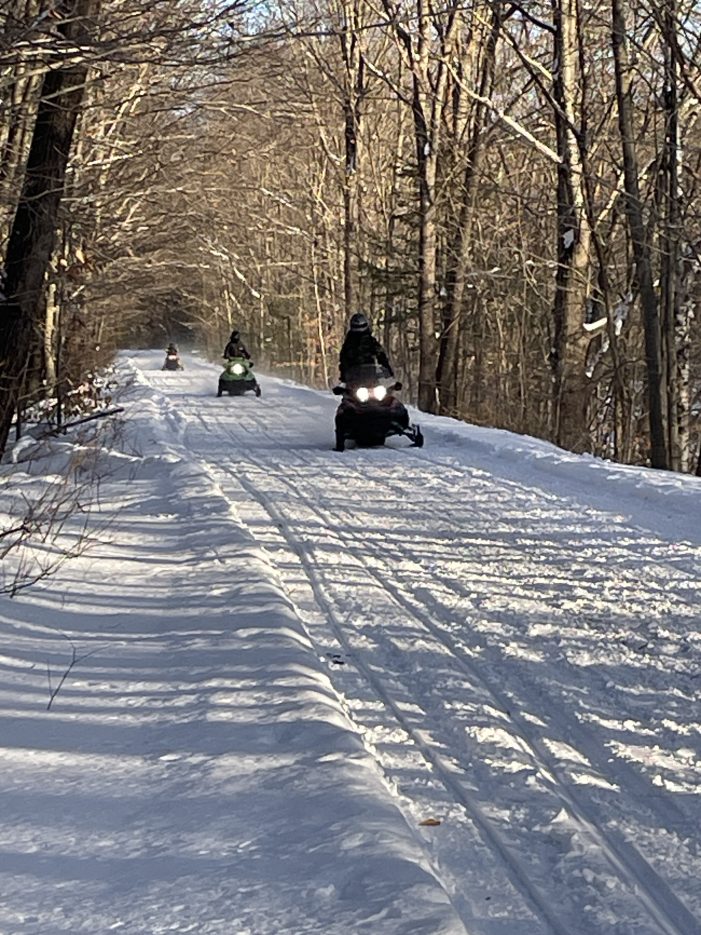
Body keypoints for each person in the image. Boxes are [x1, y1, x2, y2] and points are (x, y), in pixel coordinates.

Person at [339, 313, 393, 382]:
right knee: (348, 391)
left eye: (361, 326)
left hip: (372, 377)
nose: (359, 329)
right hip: (354, 380)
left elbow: (382, 357)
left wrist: (390, 376)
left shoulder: (371, 342)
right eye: (356, 326)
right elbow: (343, 362)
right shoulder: (348, 344)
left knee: (385, 391)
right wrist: (343, 380)